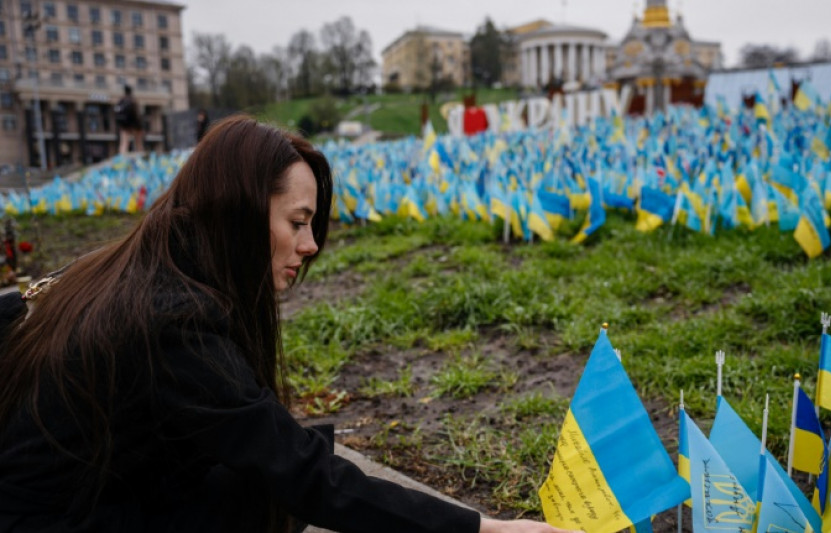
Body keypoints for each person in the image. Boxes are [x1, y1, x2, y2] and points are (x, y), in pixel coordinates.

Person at [0, 116, 579, 533]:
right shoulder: (173, 317)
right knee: (271, 486)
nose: (311, 245)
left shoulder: (128, 267)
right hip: (57, 518)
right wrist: (485, 528)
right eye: (298, 222)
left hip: (62, 496)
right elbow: (303, 474)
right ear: (240, 211)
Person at [115, 85, 144, 155]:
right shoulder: (133, 101)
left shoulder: (121, 101)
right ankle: (140, 156)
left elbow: (116, 112)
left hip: (124, 125)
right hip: (135, 125)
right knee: (138, 142)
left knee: (124, 142)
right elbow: (137, 115)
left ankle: (122, 157)